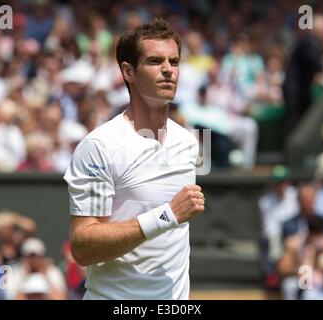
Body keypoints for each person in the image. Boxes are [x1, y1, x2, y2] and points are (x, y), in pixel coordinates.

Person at [64, 18, 205, 300]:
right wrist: (167, 215)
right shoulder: (100, 146)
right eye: (155, 61)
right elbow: (83, 247)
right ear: (128, 71)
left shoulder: (188, 143)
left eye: (174, 62)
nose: (168, 70)